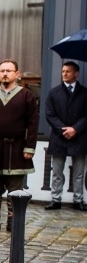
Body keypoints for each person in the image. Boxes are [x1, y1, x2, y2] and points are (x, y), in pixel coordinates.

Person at [0, 60, 39, 232]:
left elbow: (33, 123)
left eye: (8, 71)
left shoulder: (26, 96)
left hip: (17, 149)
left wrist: (29, 147)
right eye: (2, 71)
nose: (4, 74)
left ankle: (13, 221)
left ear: (17, 74)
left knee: (15, 189)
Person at [44, 61, 87, 211]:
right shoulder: (53, 92)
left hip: (79, 137)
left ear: (76, 74)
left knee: (79, 172)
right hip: (59, 137)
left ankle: (78, 200)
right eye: (63, 71)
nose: (64, 74)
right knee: (57, 171)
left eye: (68, 71)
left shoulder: (85, 93)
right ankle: (55, 199)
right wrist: (64, 129)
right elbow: (50, 115)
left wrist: (75, 129)